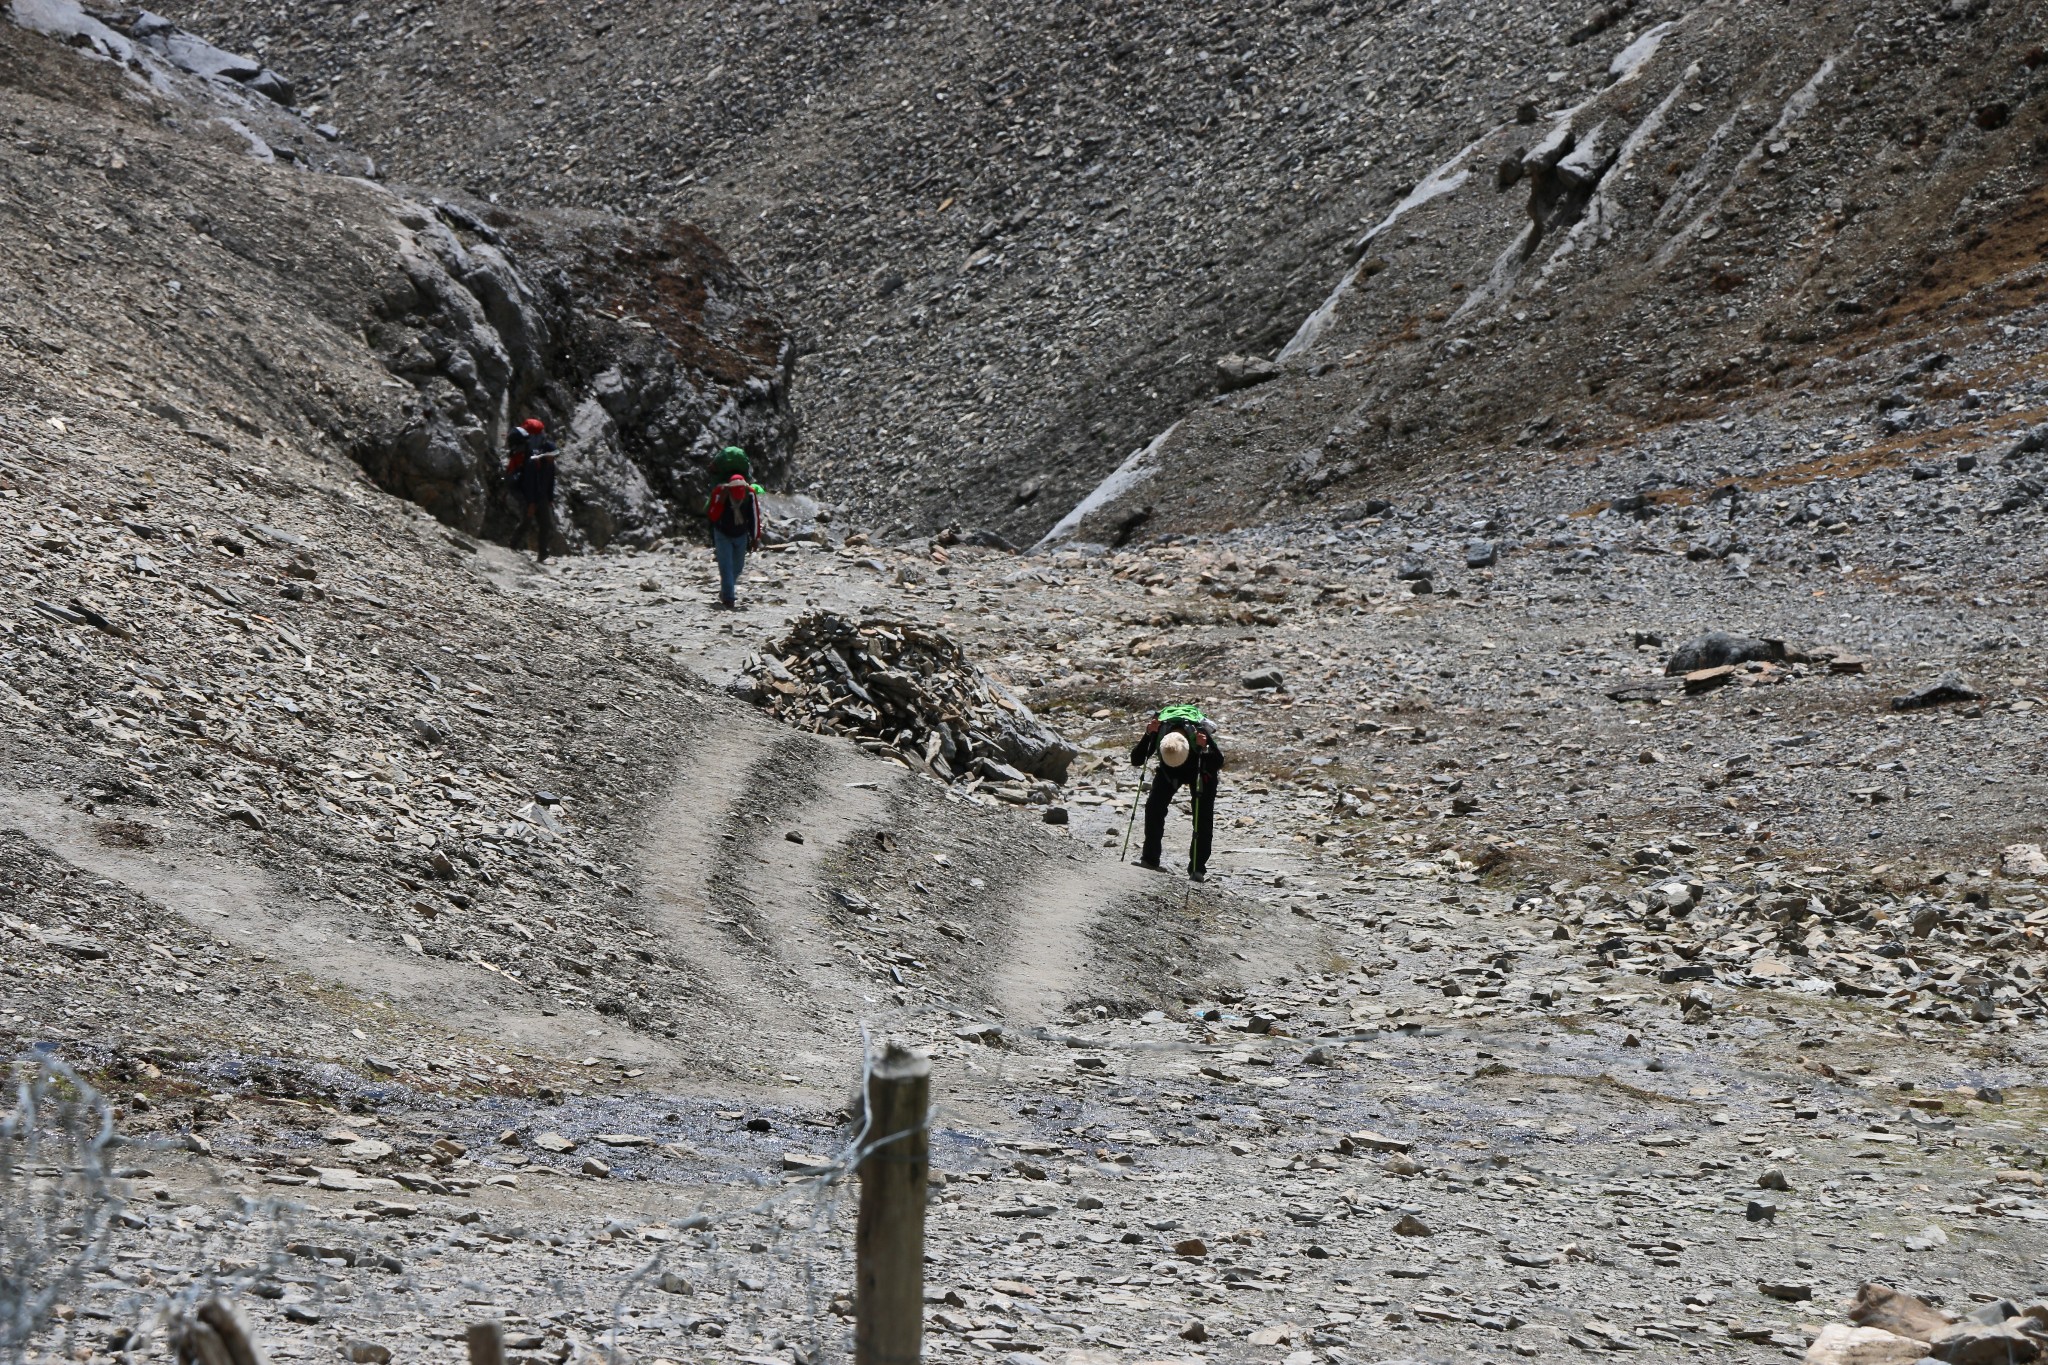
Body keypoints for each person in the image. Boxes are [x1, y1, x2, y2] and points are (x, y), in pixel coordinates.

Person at [1129, 704, 1223, 881]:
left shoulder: (1200, 733)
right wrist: (1147, 734)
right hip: (1168, 771)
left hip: (1200, 770)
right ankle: (1149, 859)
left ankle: (1197, 868)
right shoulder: (1160, 732)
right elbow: (1136, 760)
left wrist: (1205, 748)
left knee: (1202, 817)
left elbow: (1218, 762)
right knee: (1154, 808)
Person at [705, 446, 764, 609]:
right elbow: (712, 514)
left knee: (737, 567)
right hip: (722, 533)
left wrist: (755, 538)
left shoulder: (750, 494)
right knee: (726, 567)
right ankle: (729, 599)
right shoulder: (721, 492)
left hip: (740, 534)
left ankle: (726, 590)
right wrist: (721, 499)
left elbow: (754, 517)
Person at [507, 417, 558, 562]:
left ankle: (543, 553)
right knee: (526, 521)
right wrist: (531, 502)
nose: (553, 459)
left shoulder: (549, 464)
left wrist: (550, 499)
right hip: (531, 496)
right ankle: (513, 544)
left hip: (542, 497)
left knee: (545, 524)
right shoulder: (532, 463)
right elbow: (530, 484)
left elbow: (550, 482)